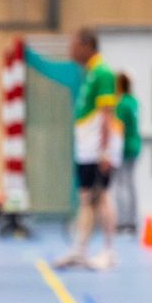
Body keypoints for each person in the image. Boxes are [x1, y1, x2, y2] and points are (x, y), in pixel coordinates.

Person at [54, 29, 123, 270]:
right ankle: (80, 249)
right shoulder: (90, 73)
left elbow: (106, 114)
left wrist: (104, 151)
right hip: (86, 148)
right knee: (85, 199)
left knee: (102, 197)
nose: (70, 51)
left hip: (98, 149)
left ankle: (109, 251)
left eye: (73, 45)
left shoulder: (103, 73)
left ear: (86, 45)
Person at [113, 72, 140, 235]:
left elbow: (119, 127)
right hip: (135, 145)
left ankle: (123, 221)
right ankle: (132, 221)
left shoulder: (122, 103)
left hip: (124, 147)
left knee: (120, 184)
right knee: (130, 184)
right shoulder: (133, 101)